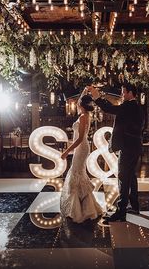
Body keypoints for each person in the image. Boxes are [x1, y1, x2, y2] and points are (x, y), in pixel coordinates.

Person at [88, 82, 145, 224]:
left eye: (124, 92)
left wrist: (96, 97)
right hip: (135, 146)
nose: (122, 94)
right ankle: (134, 206)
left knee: (123, 178)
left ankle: (121, 212)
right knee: (131, 176)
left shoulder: (129, 106)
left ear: (131, 93)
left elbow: (109, 108)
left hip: (128, 147)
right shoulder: (137, 107)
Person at [60, 88, 103, 223]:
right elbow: (80, 100)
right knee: (78, 174)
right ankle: (82, 206)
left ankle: (79, 211)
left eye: (79, 103)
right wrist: (85, 91)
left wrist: (67, 151)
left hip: (82, 147)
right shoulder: (84, 114)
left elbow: (79, 139)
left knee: (76, 174)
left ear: (81, 106)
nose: (77, 103)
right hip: (80, 148)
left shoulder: (84, 117)